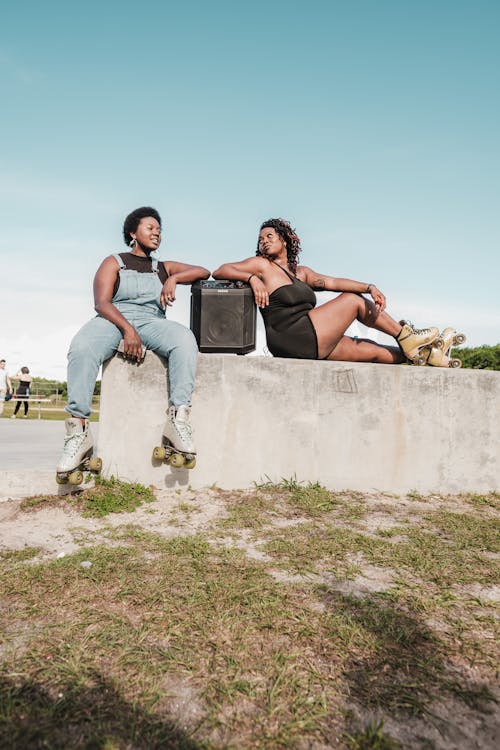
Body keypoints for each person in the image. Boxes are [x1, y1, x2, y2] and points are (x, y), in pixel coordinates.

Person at [57, 206, 210, 477]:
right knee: (82, 348)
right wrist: (128, 330)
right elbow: (101, 303)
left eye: (159, 230)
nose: (156, 233)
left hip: (152, 321)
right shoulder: (114, 261)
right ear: (133, 233)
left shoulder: (163, 267)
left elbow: (203, 271)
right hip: (113, 319)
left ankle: (178, 419)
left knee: (184, 339)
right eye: (150, 228)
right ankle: (78, 430)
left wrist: (174, 277)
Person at [212, 217, 454, 366]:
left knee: (375, 351)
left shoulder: (302, 273)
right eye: (260, 238)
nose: (263, 241)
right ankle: (406, 335)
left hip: (312, 338)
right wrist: (253, 278)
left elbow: (333, 282)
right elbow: (221, 270)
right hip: (291, 335)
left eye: (269, 236)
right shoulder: (261, 265)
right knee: (352, 302)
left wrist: (369, 287)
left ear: (284, 240)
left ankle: (423, 355)